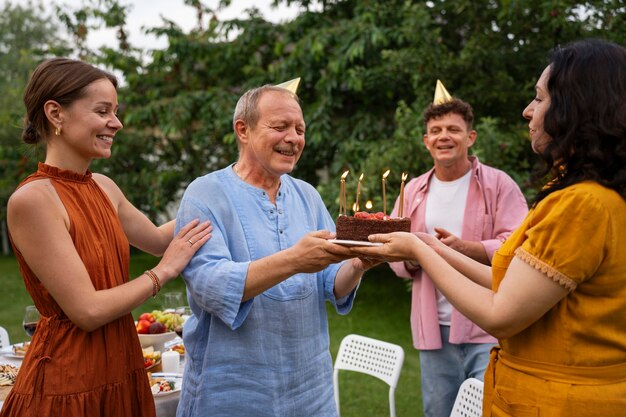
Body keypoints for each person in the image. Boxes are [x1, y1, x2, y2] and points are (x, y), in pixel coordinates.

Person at [352, 38, 626, 416]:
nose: (528, 111)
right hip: (447, 335)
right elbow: (512, 277)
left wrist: (420, 249)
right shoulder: (586, 194)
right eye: (435, 130)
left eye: (540, 98)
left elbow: (501, 311)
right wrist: (428, 247)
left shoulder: (580, 203)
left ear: (576, 107)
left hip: (560, 400)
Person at [1, 58, 212, 417]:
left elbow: (161, 239)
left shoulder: (104, 187)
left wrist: (223, 189)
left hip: (120, 368)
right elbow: (88, 310)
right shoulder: (32, 200)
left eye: (115, 111)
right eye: (103, 111)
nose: (117, 123)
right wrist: (163, 272)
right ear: (56, 114)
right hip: (68, 385)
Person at [174, 82, 373, 417]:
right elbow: (211, 286)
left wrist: (360, 263)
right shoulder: (205, 194)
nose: (293, 138)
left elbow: (331, 282)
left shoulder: (307, 195)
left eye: (299, 129)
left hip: (312, 390)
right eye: (280, 127)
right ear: (243, 130)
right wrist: (294, 260)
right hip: (234, 394)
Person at [388, 82, 528, 417]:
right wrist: (410, 257)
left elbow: (520, 244)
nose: (443, 136)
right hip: (433, 327)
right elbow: (393, 245)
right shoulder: (413, 191)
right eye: (435, 130)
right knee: (438, 411)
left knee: (487, 410)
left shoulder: (498, 184)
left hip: (487, 327)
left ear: (471, 137)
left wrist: (469, 248)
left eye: (453, 129)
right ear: (426, 141)